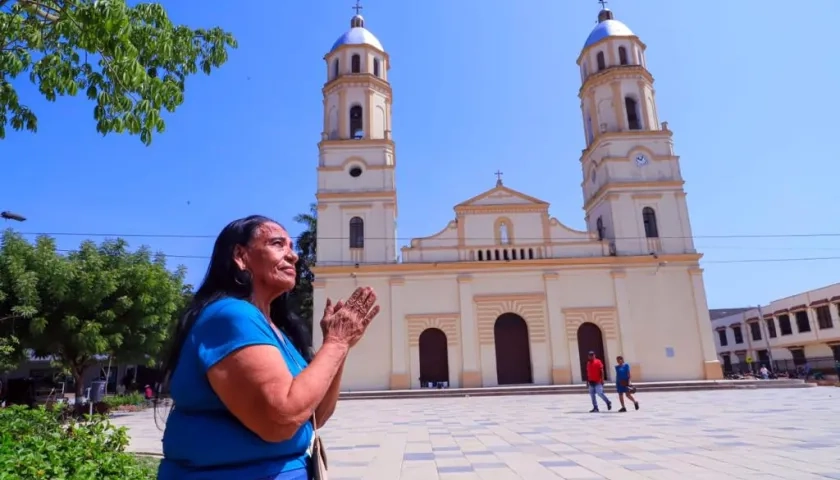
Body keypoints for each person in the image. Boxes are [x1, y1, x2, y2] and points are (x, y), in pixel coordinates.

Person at [156, 215, 380, 480]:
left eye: (292, 246)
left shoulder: (274, 329)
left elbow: (315, 413)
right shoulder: (231, 315)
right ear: (241, 255)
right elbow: (280, 420)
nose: (293, 256)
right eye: (278, 244)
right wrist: (336, 342)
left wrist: (341, 347)